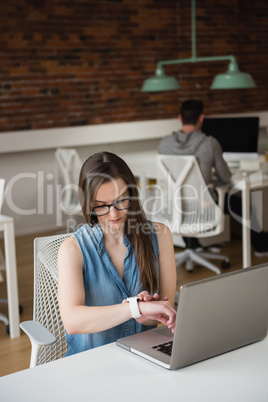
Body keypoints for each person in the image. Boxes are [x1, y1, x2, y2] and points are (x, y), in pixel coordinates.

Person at [58, 151, 177, 357]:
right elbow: (72, 321)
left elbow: (163, 313)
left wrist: (147, 313)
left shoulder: (161, 235)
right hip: (90, 363)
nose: (114, 214)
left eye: (121, 201)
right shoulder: (72, 249)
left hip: (142, 358)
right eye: (101, 205)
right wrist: (135, 308)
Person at [159, 98, 268, 256]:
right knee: (240, 204)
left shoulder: (164, 144)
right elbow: (226, 177)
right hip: (202, 207)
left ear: (180, 118)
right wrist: (211, 175)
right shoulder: (209, 143)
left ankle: (193, 245)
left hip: (174, 206)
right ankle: (261, 247)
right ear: (201, 118)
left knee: (185, 196)